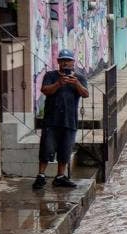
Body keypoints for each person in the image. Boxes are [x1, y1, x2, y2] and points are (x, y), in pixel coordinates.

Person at [32, 49, 89, 190]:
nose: (65, 63)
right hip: (51, 119)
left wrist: (76, 83)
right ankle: (41, 175)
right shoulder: (50, 75)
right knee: (46, 148)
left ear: (73, 62)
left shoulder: (79, 78)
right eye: (62, 60)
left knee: (65, 149)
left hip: (69, 120)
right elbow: (45, 90)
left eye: (68, 60)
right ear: (58, 62)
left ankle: (60, 176)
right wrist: (59, 83)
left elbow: (85, 94)